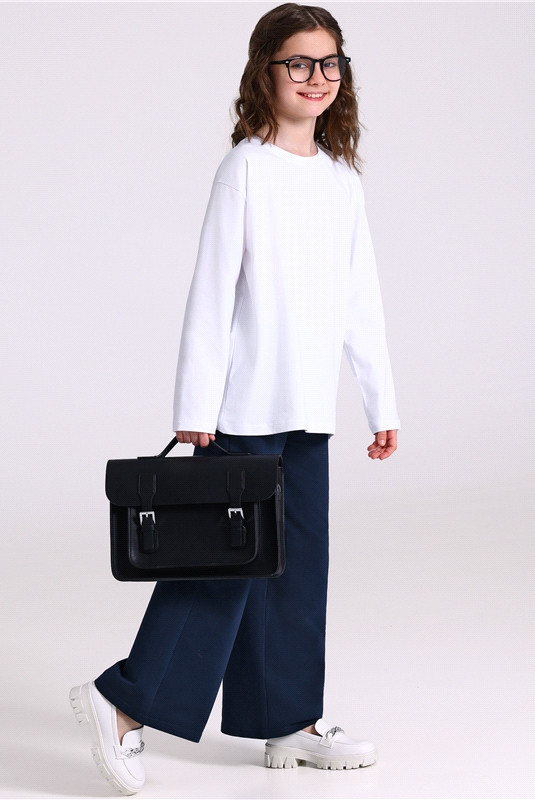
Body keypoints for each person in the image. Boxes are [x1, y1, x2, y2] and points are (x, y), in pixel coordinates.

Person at [70, 2, 400, 794]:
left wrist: (379, 401)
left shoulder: (339, 181)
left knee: (296, 571)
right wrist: (195, 409)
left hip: (307, 412)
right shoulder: (245, 170)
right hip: (242, 409)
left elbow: (360, 302)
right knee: (222, 570)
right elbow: (211, 293)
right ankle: (121, 703)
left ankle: (289, 721)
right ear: (265, 72)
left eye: (329, 63)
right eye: (298, 63)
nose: (316, 77)